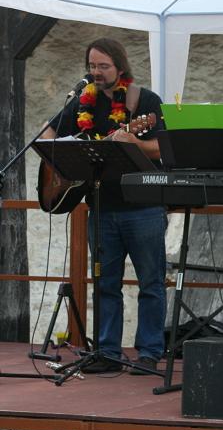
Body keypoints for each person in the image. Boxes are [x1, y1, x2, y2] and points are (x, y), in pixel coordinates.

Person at [42, 38, 167, 374]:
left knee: (151, 283)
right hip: (101, 206)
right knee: (105, 284)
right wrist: (65, 164)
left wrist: (134, 141)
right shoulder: (82, 101)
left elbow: (162, 148)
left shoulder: (145, 101)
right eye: (92, 65)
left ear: (120, 67)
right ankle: (108, 352)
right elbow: (48, 135)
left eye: (103, 66)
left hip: (143, 207)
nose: (96, 72)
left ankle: (149, 353)